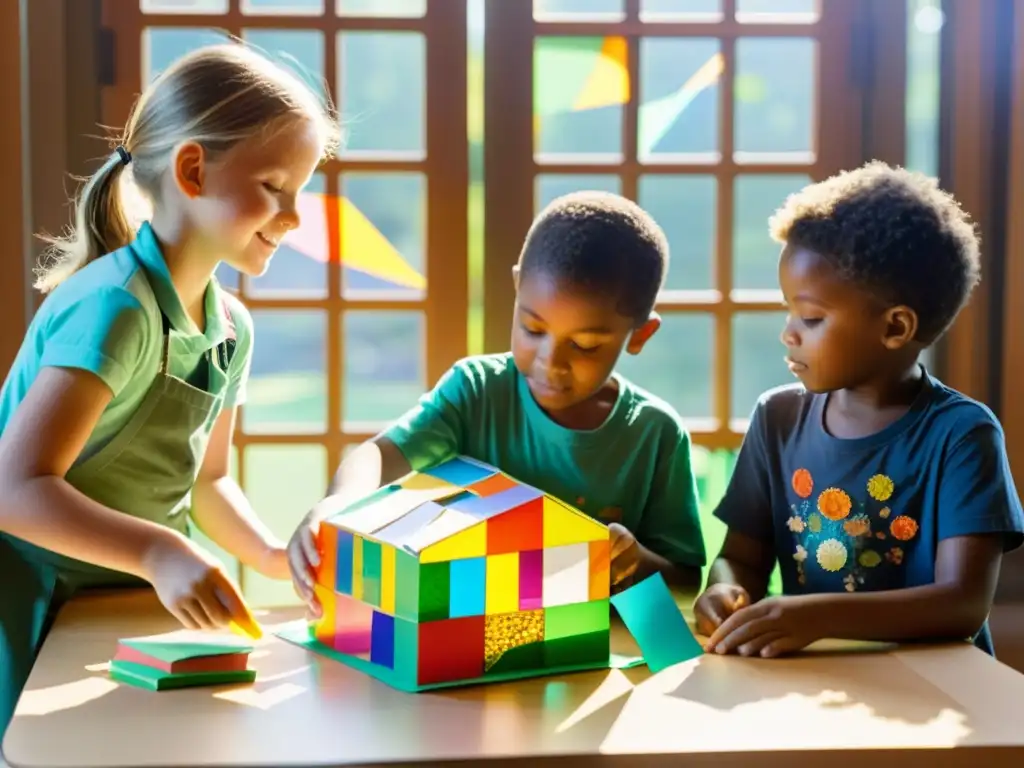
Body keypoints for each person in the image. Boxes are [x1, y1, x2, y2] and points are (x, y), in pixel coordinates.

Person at [0, 42, 338, 737]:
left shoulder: (232, 329)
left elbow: (208, 484)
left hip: (118, 609)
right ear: (192, 170)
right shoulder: (115, 310)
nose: (295, 217)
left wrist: (277, 559)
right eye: (275, 187)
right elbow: (14, 490)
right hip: (29, 611)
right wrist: (163, 552)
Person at [287, 190, 706, 617]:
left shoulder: (656, 433)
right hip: (465, 634)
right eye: (532, 328)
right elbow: (381, 454)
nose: (551, 362)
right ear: (516, 287)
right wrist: (336, 506)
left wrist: (635, 562)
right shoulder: (475, 391)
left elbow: (687, 583)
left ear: (639, 335)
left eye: (583, 346)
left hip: (593, 654)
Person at [693, 161, 1024, 658]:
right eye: (788, 311)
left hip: (937, 691)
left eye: (810, 317)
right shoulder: (777, 419)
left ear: (895, 328)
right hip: (811, 678)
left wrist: (819, 615)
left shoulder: (962, 434)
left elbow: (963, 604)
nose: (789, 333)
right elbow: (739, 557)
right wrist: (724, 591)